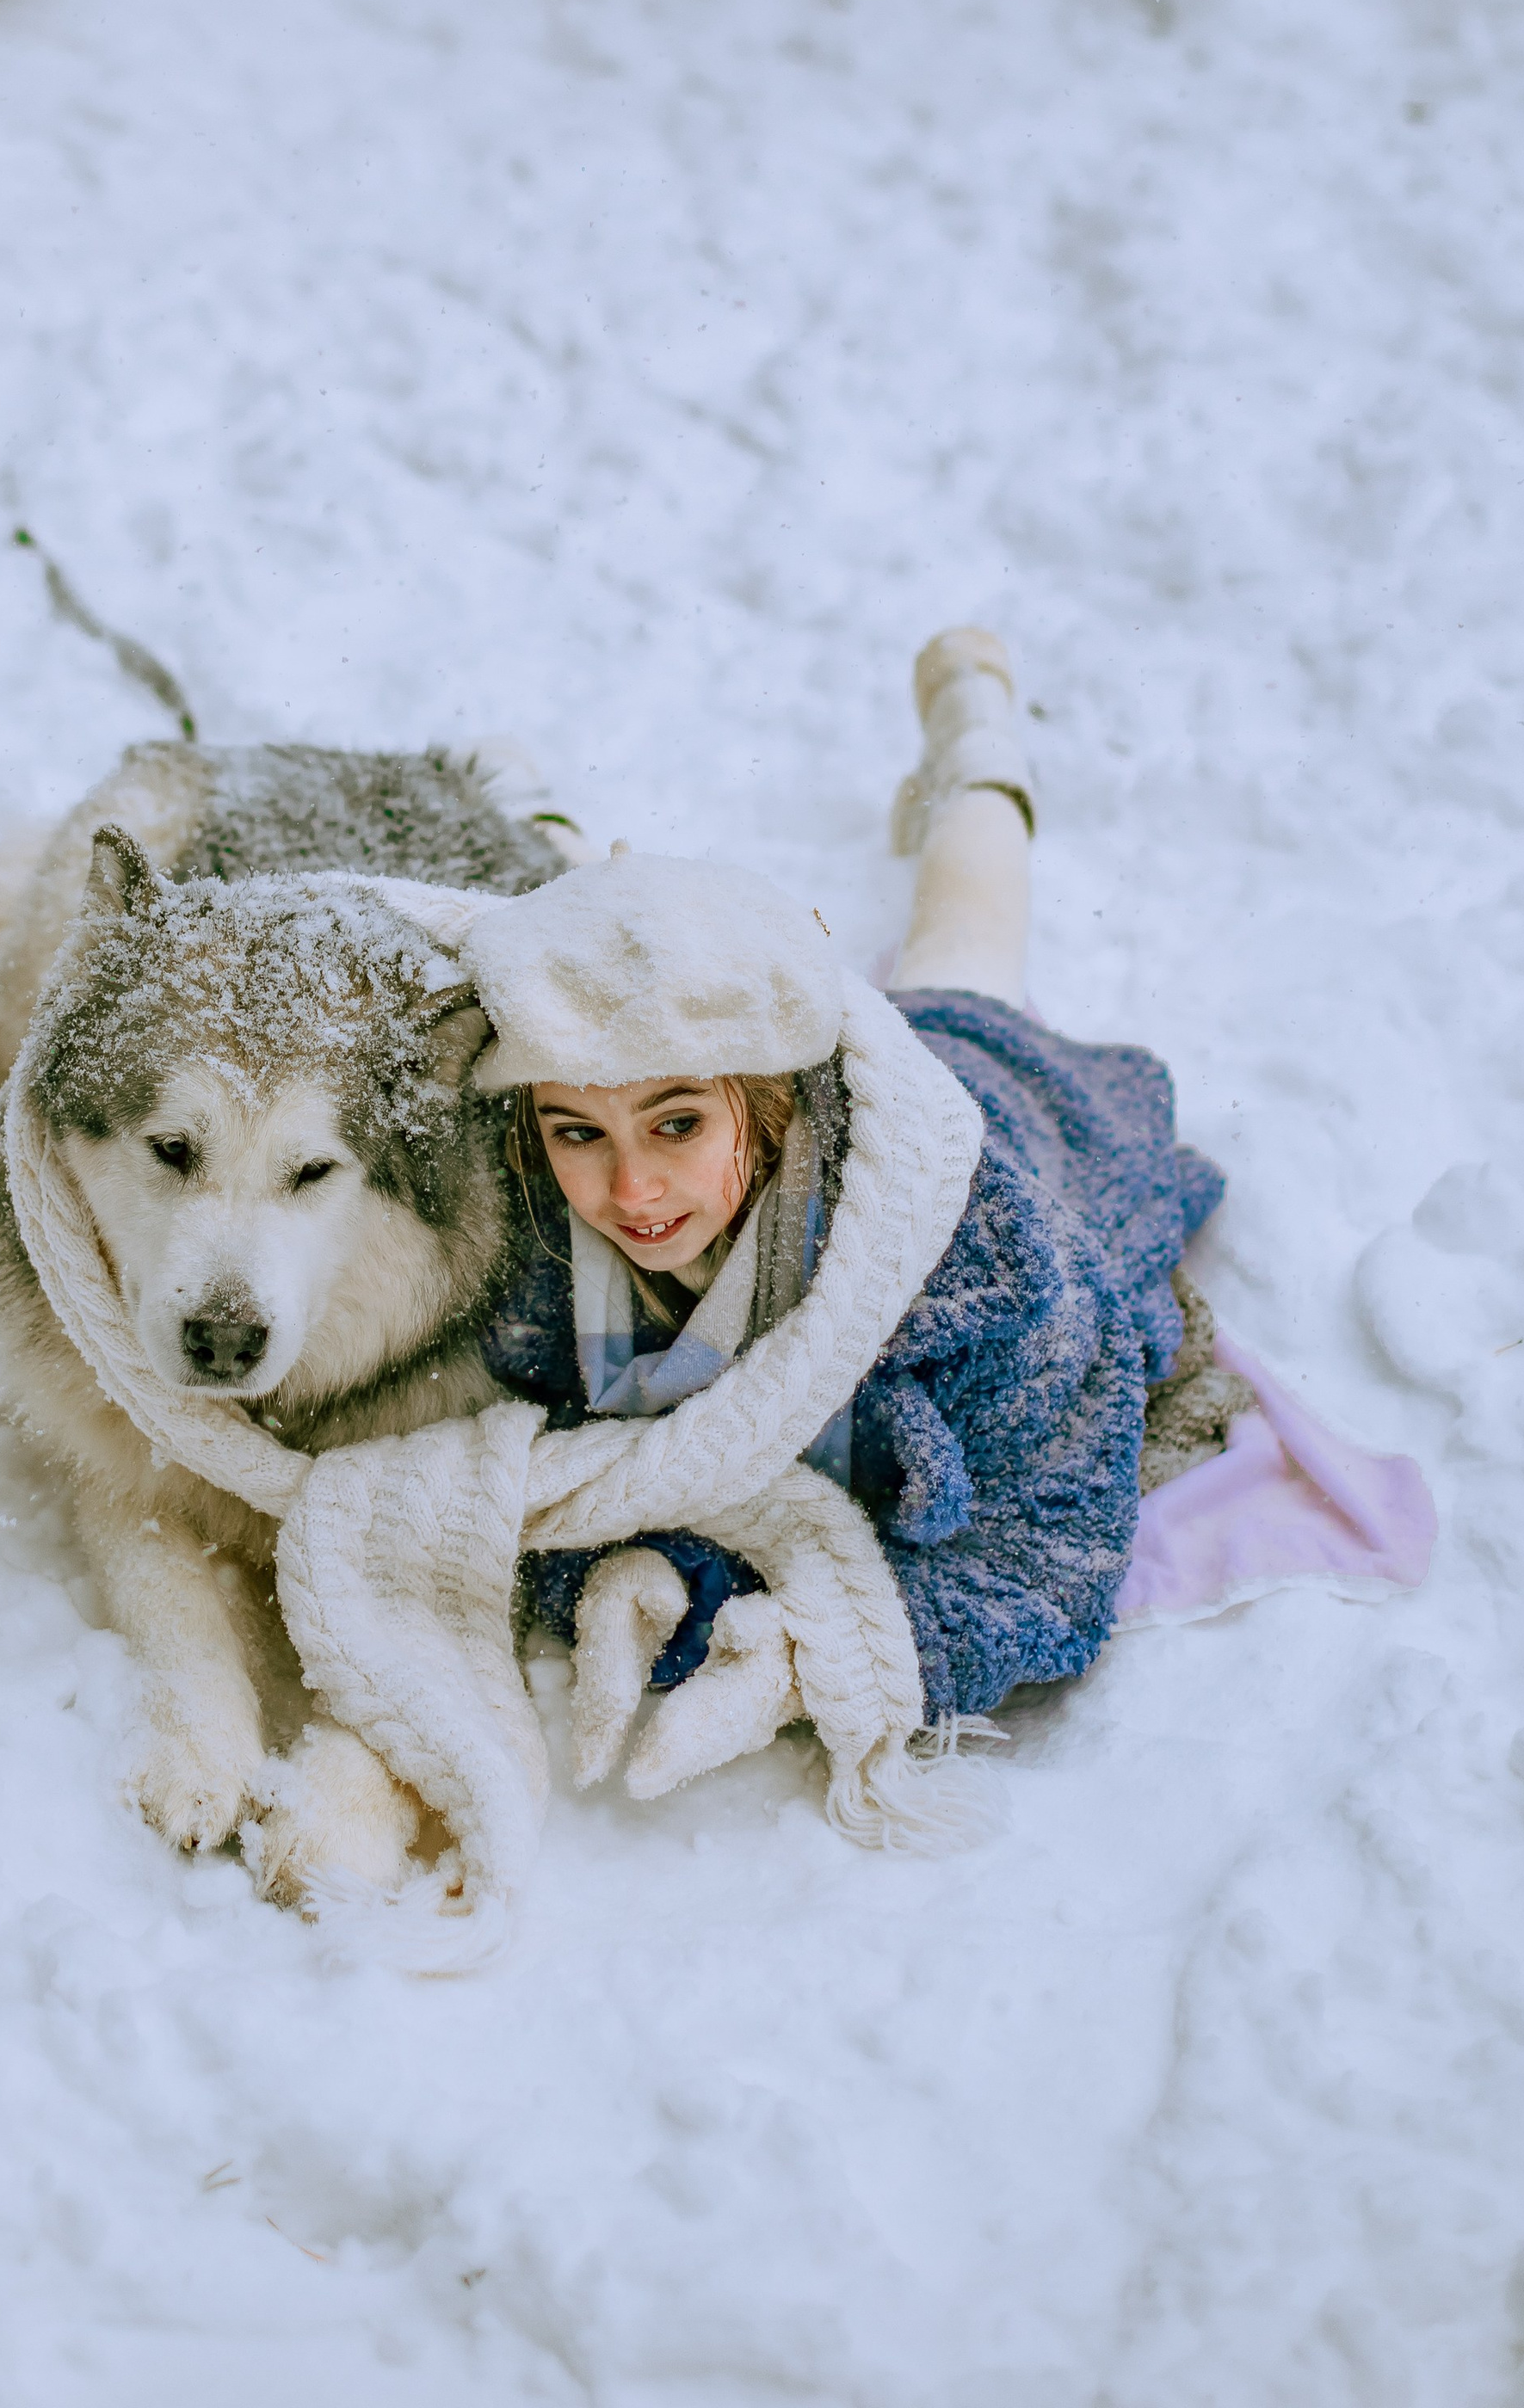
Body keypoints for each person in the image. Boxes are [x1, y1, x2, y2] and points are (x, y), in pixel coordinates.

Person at [475, 630, 1236, 1726]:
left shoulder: (989, 1260)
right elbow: (533, 1472)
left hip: (984, 1097)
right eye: (577, 1135)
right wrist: (630, 1571)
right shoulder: (539, 1243)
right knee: (597, 963)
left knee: (964, 945)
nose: (632, 1191)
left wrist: (813, 1659)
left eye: (677, 1123)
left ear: (767, 1103)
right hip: (756, 1049)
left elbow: (1043, 1549)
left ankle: (976, 738)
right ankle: (532, 812)